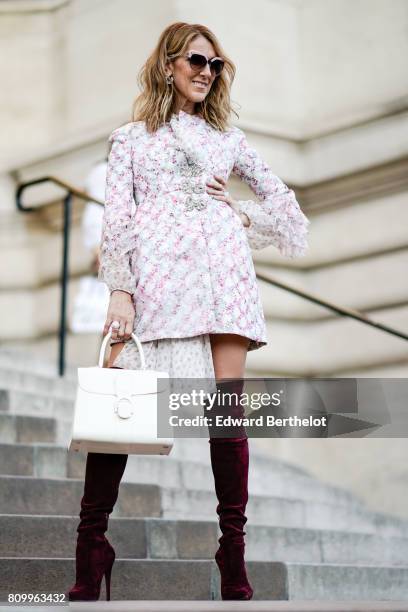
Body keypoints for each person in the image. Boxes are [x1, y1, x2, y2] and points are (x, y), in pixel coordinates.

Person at [67, 21, 310, 602]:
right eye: (197, 61)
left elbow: (287, 206)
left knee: (227, 414)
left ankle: (233, 550)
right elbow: (118, 219)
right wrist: (120, 290)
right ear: (170, 64)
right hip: (155, 279)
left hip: (223, 275)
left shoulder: (229, 138)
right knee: (120, 405)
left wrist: (244, 216)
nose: (207, 72)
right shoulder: (130, 138)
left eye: (216, 65)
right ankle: (91, 544)